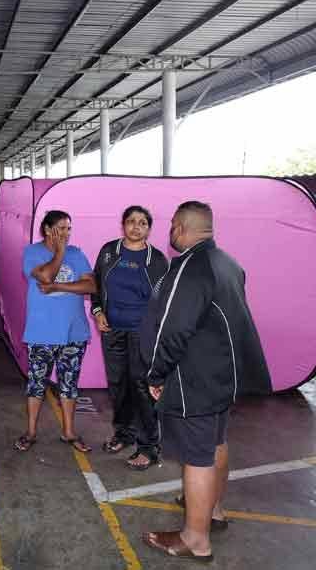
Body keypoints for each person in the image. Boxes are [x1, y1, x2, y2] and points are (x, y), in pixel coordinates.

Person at [140, 202, 271, 562]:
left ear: (180, 227)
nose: (169, 230)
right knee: (216, 443)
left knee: (196, 457)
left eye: (170, 225)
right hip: (222, 375)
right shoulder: (228, 263)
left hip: (193, 378)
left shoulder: (190, 266)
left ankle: (195, 539)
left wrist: (157, 372)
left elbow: (173, 328)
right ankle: (214, 511)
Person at [91, 206, 169, 470]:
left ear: (149, 228)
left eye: (143, 223)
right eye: (131, 222)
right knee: (118, 385)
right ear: (122, 225)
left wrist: (157, 333)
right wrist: (98, 310)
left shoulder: (157, 259)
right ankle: (124, 434)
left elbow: (163, 301)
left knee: (141, 386)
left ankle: (149, 445)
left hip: (141, 333)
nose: (136, 227)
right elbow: (96, 285)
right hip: (112, 331)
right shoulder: (108, 252)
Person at [15, 210, 96, 454]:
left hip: (73, 333)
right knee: (36, 384)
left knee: (69, 385)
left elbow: (91, 285)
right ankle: (30, 432)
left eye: (69, 228)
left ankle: (69, 432)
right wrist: (59, 253)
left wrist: (59, 286)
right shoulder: (32, 253)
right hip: (41, 333)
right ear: (47, 230)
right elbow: (45, 275)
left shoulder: (77, 253)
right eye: (61, 228)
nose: (66, 233)